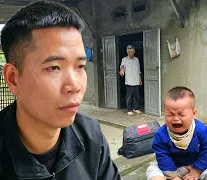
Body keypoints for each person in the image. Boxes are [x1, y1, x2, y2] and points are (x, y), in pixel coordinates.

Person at [0, 1, 121, 179]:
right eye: (54, 68)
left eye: (80, 66)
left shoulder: (89, 134)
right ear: (13, 78)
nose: (75, 86)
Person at [146, 86, 207, 180]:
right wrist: (173, 176)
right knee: (153, 173)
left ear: (193, 113)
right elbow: (163, 155)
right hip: (170, 168)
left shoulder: (201, 130)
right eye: (170, 114)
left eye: (181, 114)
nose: (175, 118)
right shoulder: (161, 134)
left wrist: (197, 170)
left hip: (198, 165)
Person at [120, 45, 142, 116]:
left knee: (137, 96)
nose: (130, 53)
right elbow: (122, 67)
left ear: (134, 52)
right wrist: (122, 71)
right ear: (127, 52)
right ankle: (129, 110)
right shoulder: (124, 59)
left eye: (131, 52)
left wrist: (140, 79)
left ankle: (135, 108)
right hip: (129, 81)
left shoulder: (137, 59)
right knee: (129, 97)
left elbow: (139, 70)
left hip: (136, 81)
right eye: (129, 52)